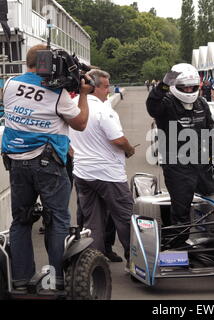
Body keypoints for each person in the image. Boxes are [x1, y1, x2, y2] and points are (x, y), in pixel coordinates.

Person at [1, 44, 92, 291]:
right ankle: (57, 279)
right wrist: (83, 93)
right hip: (47, 163)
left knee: (20, 220)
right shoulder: (57, 93)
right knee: (58, 219)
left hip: (16, 162)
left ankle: (20, 279)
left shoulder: (9, 84)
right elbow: (81, 123)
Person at [146, 63, 214, 248]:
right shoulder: (166, 102)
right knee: (181, 209)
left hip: (202, 163)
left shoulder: (202, 103)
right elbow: (152, 106)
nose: (188, 90)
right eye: (184, 87)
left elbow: (211, 131)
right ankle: (178, 245)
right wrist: (163, 85)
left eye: (191, 87)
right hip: (177, 165)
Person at [69, 69, 136, 266]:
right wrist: (129, 149)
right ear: (92, 87)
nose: (109, 90)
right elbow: (118, 139)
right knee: (125, 217)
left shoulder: (72, 106)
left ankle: (92, 265)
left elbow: (63, 137)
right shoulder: (104, 110)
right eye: (106, 86)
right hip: (109, 174)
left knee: (92, 222)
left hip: (82, 172)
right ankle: (137, 261)